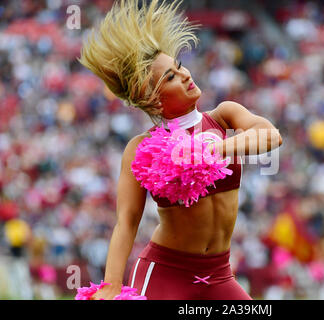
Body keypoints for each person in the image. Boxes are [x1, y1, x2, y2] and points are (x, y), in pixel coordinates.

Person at [78, 0, 282, 300]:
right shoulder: (141, 147)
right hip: (166, 273)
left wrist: (214, 149)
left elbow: (270, 136)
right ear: (152, 99)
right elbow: (127, 220)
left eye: (179, 66)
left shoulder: (224, 116)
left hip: (219, 273)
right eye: (170, 77)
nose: (185, 75)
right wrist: (110, 286)